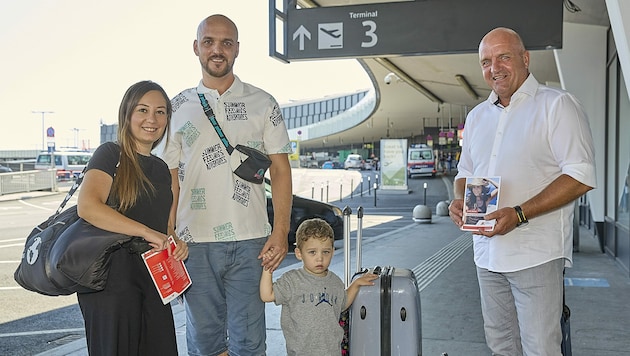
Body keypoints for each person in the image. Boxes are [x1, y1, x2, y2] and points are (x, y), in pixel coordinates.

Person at [448, 27, 596, 355]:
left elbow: (580, 175)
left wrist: (518, 214)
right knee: (501, 346)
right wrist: (458, 200)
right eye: (486, 61)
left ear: (525, 59)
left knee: (540, 349)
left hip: (536, 254)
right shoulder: (476, 117)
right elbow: (466, 172)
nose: (494, 68)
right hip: (486, 254)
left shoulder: (557, 105)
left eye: (504, 57)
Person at [157, 14, 293, 356]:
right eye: (209, 42)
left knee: (249, 343)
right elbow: (169, 176)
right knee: (205, 343)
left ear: (236, 49)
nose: (217, 50)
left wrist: (280, 232)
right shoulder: (176, 107)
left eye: (226, 43)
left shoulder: (264, 103)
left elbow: (280, 170)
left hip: (251, 240)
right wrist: (168, 230)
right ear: (196, 47)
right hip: (193, 243)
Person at [76, 80, 189, 356]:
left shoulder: (162, 169)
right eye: (143, 110)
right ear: (127, 114)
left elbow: (161, 227)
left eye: (161, 112)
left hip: (153, 279)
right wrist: (146, 233)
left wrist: (175, 242)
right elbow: (88, 207)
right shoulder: (110, 154)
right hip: (110, 280)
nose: (152, 119)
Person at [259, 218, 378, 356]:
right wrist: (268, 268)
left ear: (332, 252)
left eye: (325, 252)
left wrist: (356, 284)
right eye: (312, 252)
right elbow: (267, 295)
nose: (320, 258)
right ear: (299, 253)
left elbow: (343, 303)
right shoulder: (292, 281)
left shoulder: (334, 281)